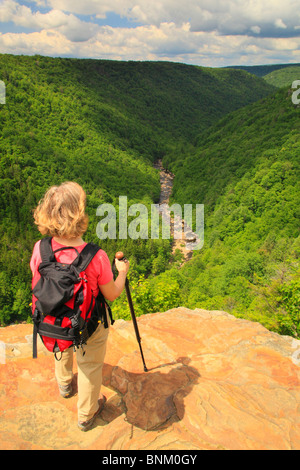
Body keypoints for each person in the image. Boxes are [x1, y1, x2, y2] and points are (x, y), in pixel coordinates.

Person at [30, 181, 129, 431]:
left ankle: (64, 384)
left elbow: (38, 281)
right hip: (87, 324)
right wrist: (122, 273)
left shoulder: (40, 249)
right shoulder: (96, 256)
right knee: (90, 365)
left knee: (61, 340)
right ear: (80, 214)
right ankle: (87, 414)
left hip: (52, 321)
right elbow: (112, 293)